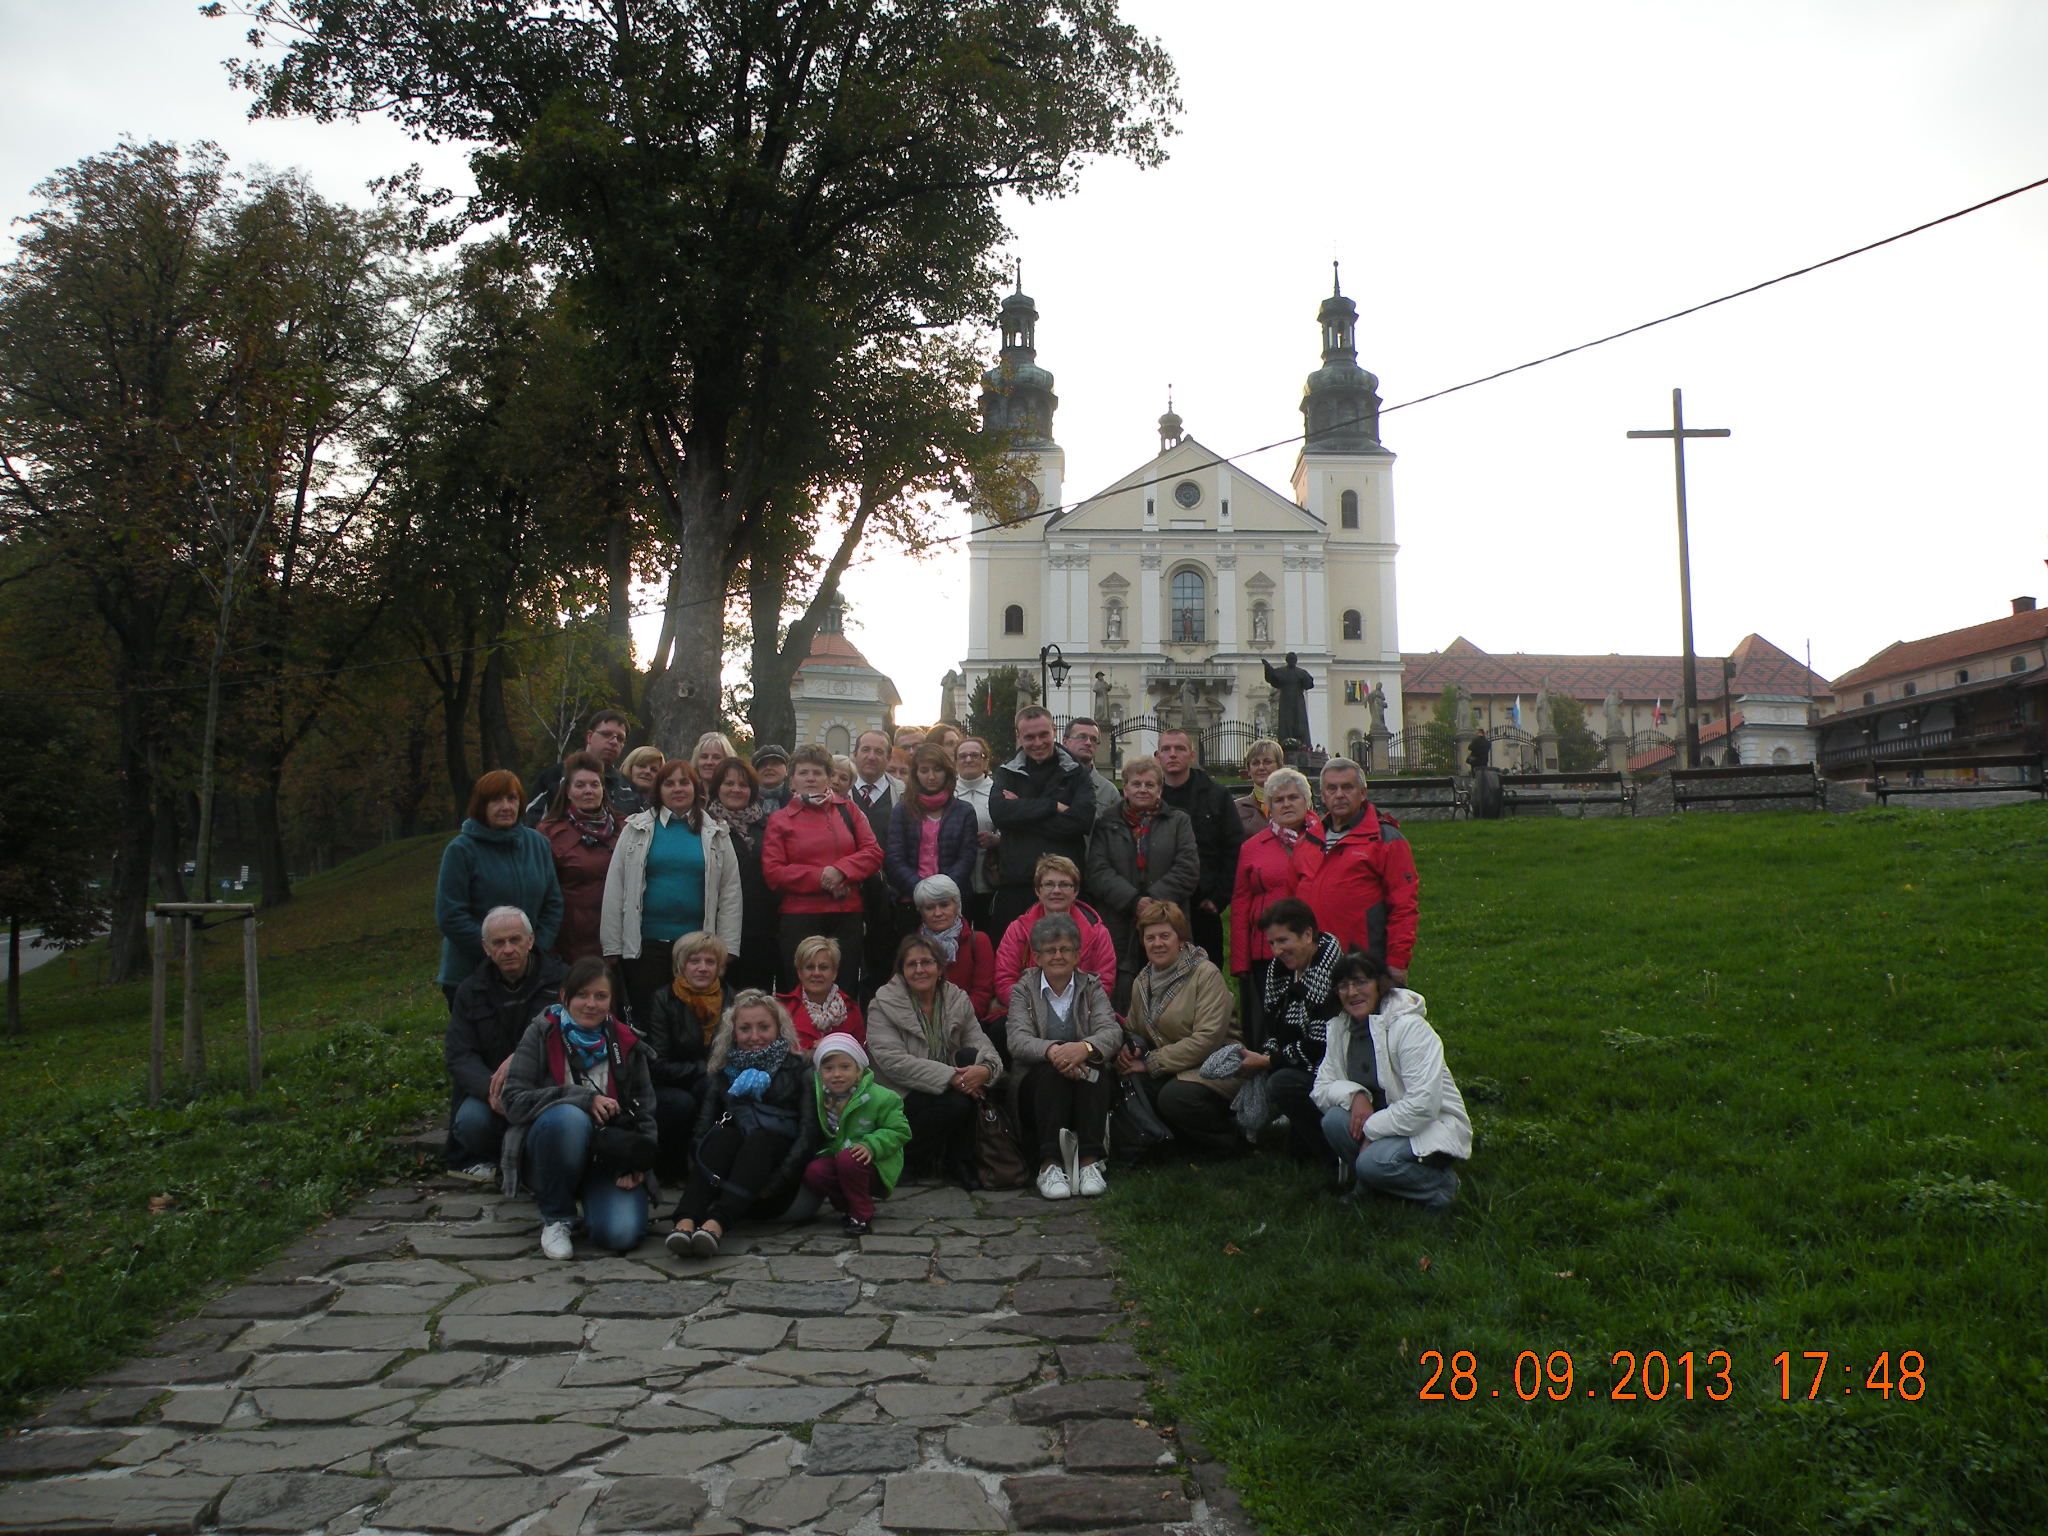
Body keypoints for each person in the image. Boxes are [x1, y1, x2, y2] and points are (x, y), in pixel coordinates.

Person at [501, 957, 656, 1259]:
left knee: (621, 1234)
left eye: (600, 996)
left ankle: (594, 1200)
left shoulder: (627, 1043)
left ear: (611, 1001)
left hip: (607, 1155)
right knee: (568, 1118)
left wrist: (638, 1162)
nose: (591, 1004)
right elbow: (513, 1101)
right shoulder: (542, 1032)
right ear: (565, 996)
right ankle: (557, 1217)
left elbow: (646, 1111)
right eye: (582, 995)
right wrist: (581, 1098)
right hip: (553, 1147)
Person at [1311, 950, 1470, 1211]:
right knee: (1334, 1121)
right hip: (1383, 1122)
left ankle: (1441, 1187)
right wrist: (1355, 1096)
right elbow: (1321, 1087)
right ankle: (1371, 1184)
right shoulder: (1340, 1028)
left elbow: (1422, 1105)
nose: (1352, 992)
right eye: (1343, 985)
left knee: (1372, 1162)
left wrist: (1371, 1129)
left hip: (1427, 1125)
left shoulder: (1409, 1027)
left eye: (1361, 982)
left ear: (1380, 985)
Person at [665, 991, 816, 1257]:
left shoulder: (800, 1071)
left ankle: (715, 1226)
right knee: (723, 1135)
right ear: (734, 1033)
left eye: (763, 1027)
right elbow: (702, 1131)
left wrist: (773, 1184)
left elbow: (809, 1135)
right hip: (727, 1181)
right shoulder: (723, 1073)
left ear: (778, 1029)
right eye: (745, 1029)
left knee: (761, 1138)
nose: (754, 1036)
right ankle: (685, 1221)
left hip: (776, 1188)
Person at [601, 760, 743, 1028]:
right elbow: (615, 887)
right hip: (646, 944)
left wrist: (728, 945)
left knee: (691, 1023)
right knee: (647, 1019)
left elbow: (730, 892)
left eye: (684, 782)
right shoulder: (635, 829)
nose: (677, 789)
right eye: (669, 783)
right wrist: (611, 945)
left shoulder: (716, 832)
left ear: (695, 788)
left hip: (697, 947)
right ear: (659, 789)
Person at [867, 933, 1003, 1185]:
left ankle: (959, 1160)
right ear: (902, 970)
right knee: (956, 1101)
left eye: (927, 962)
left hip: (948, 1087)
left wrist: (985, 1070)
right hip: (901, 1093)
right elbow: (893, 1062)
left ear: (940, 968)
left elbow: (981, 1042)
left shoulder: (956, 999)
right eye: (912, 964)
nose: (920, 970)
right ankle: (909, 1159)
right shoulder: (882, 1004)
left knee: (972, 1064)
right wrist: (951, 1077)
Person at [444, 907, 565, 1180]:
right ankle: (507, 1160)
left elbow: (573, 1035)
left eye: (515, 940)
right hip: (493, 1091)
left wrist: (522, 1058)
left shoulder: (562, 981)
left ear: (530, 941)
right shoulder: (469, 991)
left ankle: (532, 1161)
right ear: (486, 948)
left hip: (546, 1086)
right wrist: (489, 1090)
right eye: (498, 943)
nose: (508, 949)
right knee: (470, 1122)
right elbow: (459, 1054)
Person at [1005, 914, 1120, 1200]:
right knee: (1052, 1076)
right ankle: (1050, 1165)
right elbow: (1017, 1040)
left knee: (1094, 1073)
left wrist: (1083, 1049)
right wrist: (1055, 1051)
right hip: (1037, 1079)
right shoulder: (1022, 990)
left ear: (1077, 955)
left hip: (1084, 1072)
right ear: (1037, 957)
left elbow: (1111, 1032)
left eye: (1065, 949)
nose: (1058, 956)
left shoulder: (1091, 986)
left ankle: (1090, 1162)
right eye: (1050, 950)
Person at [1118, 900, 1243, 1156]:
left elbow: (1207, 1039)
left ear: (1181, 938)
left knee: (1174, 1097)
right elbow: (1134, 1029)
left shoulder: (1205, 974)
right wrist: (1131, 1050)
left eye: (1165, 936)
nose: (1157, 943)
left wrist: (1151, 1062)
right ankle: (1165, 1141)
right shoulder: (1142, 981)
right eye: (1150, 937)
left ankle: (1229, 1141)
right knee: (1124, 1079)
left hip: (1216, 1065)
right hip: (1174, 1066)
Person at [762, 745, 884, 997]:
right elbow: (773, 871)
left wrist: (841, 871)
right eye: (803, 772)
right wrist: (821, 878)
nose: (810, 778)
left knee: (843, 991)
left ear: (828, 778)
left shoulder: (848, 810)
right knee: (800, 992)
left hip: (846, 916)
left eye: (817, 773)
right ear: (792, 780)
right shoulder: (780, 819)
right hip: (799, 917)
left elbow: (873, 852)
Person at [437, 770, 563, 1005]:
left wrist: (531, 949)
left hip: (529, 973)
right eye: (496, 800)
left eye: (511, 799)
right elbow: (451, 915)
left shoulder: (538, 844)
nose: (505, 806)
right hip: (472, 973)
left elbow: (553, 904)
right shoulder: (460, 850)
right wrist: (497, 951)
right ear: (481, 805)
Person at [1086, 755, 1200, 1009]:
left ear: (1160, 790)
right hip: (1119, 921)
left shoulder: (1178, 821)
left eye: (1150, 784)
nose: (1142, 789)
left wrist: (1152, 903)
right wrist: (1133, 901)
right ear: (1125, 789)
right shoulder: (1106, 823)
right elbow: (1097, 871)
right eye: (1136, 784)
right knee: (1121, 996)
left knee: (1171, 995)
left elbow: (1187, 868)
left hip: (1166, 919)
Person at [1240, 898, 1342, 1166]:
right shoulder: (1280, 971)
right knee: (1296, 1153)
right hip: (1301, 1062)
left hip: (1331, 1070)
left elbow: (1318, 1046)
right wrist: (1265, 1055)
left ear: (1308, 934)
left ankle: (1337, 1154)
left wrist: (1268, 1061)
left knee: (1281, 1083)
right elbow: (1276, 1030)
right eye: (1271, 943)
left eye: (1283, 941)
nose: (1276, 951)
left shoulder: (1334, 976)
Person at [1300, 757, 1420, 984]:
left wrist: (1397, 960)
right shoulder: (1308, 841)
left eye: (1347, 787)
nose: (1339, 795)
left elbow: (1404, 906)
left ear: (1363, 793)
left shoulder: (1385, 839)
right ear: (1322, 795)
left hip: (1365, 963)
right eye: (1332, 788)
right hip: (1314, 963)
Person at [1230, 766, 1322, 1050]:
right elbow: (1240, 904)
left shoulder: (1324, 841)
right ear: (1269, 807)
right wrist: (1240, 961)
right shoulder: (1252, 847)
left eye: (1293, 797)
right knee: (1270, 1023)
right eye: (1278, 800)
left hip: (1314, 945)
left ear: (1306, 801)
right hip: (1266, 951)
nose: (1286, 804)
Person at [988, 705, 1096, 934]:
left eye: (1043, 735)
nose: (1037, 743)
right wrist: (1052, 806)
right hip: (1018, 885)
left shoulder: (1076, 772)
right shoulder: (1007, 771)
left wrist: (1021, 811)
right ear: (1018, 736)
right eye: (1029, 737)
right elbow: (999, 813)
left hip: (1063, 887)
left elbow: (1081, 821)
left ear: (1054, 730)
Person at [801, 1032, 912, 1237]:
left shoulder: (882, 1098)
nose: (837, 1074)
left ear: (858, 1070)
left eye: (845, 1067)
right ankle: (847, 1205)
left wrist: (871, 1145)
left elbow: (900, 1130)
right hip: (839, 1156)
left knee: (849, 1159)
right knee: (815, 1172)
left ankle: (862, 1213)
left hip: (874, 1162)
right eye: (829, 1068)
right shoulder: (821, 1098)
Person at [1154, 727, 1245, 967]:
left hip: (1203, 904)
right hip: (1157, 901)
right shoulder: (1149, 795)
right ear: (1157, 756)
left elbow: (1233, 847)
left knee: (1205, 972)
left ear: (1192, 755)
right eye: (1166, 749)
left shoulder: (1216, 795)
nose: (1173, 754)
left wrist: (1219, 897)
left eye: (1180, 749)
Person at [642, 931, 733, 1171]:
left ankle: (713, 1162)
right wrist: (703, 1070)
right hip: (671, 1081)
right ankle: (676, 1166)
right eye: (695, 961)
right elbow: (656, 1063)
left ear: (719, 967)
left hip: (718, 1079)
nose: (702, 968)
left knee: (716, 1087)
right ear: (681, 965)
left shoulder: (732, 999)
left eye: (710, 962)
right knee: (684, 1102)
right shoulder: (663, 999)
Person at [991, 855, 1118, 1026]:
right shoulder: (1017, 930)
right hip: (1029, 1014)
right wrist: (1039, 1009)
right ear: (1038, 891)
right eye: (1049, 884)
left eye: (1064, 884)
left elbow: (1105, 983)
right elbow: (1004, 980)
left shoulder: (1098, 932)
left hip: (1082, 1016)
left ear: (1075, 891)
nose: (1056, 890)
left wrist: (1069, 1011)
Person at [538, 750, 621, 965]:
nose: (588, 791)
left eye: (594, 785)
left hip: (618, 938)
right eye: (580, 785)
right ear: (568, 791)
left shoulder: (625, 828)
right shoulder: (549, 834)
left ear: (603, 789)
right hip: (571, 941)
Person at [885, 743, 979, 924]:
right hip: (911, 899)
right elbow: (895, 858)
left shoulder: (964, 811)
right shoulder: (902, 810)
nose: (931, 776)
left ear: (947, 772)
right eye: (924, 770)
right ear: (916, 774)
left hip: (951, 900)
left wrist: (942, 891)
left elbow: (967, 857)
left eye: (937, 770)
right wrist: (921, 889)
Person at [707, 756, 779, 994]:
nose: (736, 789)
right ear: (717, 787)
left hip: (761, 930)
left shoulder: (767, 827)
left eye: (743, 784)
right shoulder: (704, 826)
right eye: (729, 783)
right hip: (718, 929)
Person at [849, 729, 901, 1004]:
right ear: (855, 754)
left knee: (880, 972)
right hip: (846, 894)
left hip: (887, 898)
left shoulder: (903, 794)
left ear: (888, 758)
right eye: (865, 750)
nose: (871, 756)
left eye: (879, 751)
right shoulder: (839, 792)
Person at [913, 874, 999, 1028]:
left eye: (944, 905)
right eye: (930, 908)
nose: (938, 913)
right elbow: (900, 991)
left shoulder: (978, 941)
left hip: (964, 1025)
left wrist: (948, 1022)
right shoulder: (912, 946)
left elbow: (982, 994)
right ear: (921, 912)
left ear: (957, 906)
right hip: (919, 1026)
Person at [524, 709, 636, 822]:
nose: (614, 742)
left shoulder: (627, 787)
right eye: (606, 734)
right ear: (589, 737)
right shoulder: (556, 776)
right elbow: (531, 823)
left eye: (620, 738)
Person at [778, 934, 866, 1051]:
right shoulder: (782, 1010)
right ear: (799, 972)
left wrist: (831, 1046)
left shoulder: (851, 1011)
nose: (816, 973)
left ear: (834, 973)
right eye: (810, 967)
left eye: (823, 967)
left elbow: (860, 1056)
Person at [952, 736, 1001, 929]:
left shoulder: (998, 791)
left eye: (975, 755)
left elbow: (1011, 826)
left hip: (990, 878)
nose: (968, 760)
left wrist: (997, 839)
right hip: (956, 879)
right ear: (955, 761)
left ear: (986, 760)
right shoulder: (947, 793)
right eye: (962, 756)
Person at [1062, 716, 1119, 812]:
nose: (1088, 743)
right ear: (1065, 741)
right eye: (1082, 737)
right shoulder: (1049, 780)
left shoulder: (1109, 791)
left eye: (1093, 739)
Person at [1233, 738, 1288, 839]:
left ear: (1279, 766)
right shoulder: (1236, 808)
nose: (1261, 767)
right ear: (1249, 770)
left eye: (1267, 762)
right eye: (1255, 763)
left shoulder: (1292, 803)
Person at [692, 731, 738, 799]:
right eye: (704, 757)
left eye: (716, 757)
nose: (709, 762)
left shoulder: (736, 794)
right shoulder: (689, 796)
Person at [618, 745, 664, 814]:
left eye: (654, 770)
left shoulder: (664, 807)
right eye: (642, 766)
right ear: (630, 767)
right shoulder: (611, 794)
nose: (647, 771)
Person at [751, 744, 792, 811]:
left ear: (787, 770)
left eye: (775, 763)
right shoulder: (746, 800)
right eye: (762, 764)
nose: (768, 767)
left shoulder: (797, 801)